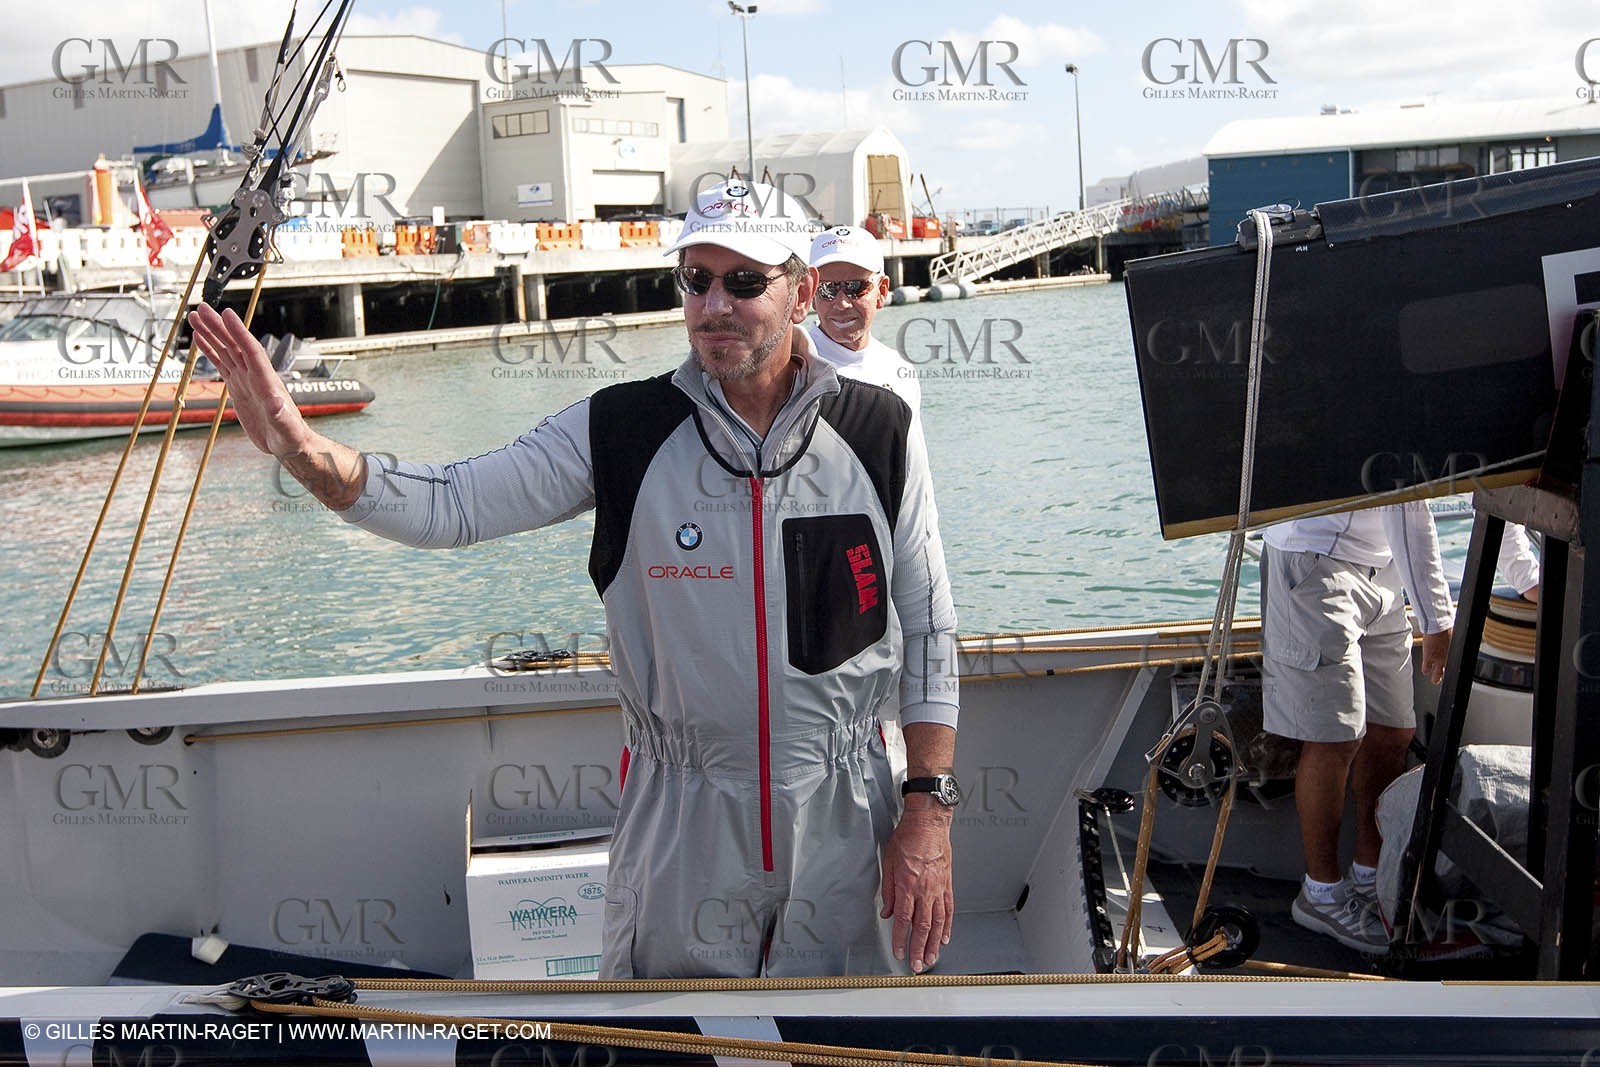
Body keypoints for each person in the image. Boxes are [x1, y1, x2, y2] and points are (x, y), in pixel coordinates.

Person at [185, 179, 960, 979]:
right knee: (676, 1042)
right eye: (696, 279)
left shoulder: (879, 431)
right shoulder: (621, 430)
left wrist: (927, 811)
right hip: (681, 820)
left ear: (799, 293)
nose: (714, 304)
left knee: (851, 1031)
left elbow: (930, 626)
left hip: (846, 807)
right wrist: (302, 451)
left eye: (744, 281)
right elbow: (452, 503)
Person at [1260, 502, 1454, 954]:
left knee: (1392, 733)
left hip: (1385, 566)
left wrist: (1524, 577)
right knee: (1336, 737)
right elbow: (1406, 502)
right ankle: (1321, 893)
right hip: (1315, 559)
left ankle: (1371, 877)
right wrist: (1437, 618)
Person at [806, 225, 919, 413]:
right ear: (811, 294)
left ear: (881, 291)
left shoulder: (899, 370)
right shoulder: (791, 369)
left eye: (855, 287)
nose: (841, 303)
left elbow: (910, 443)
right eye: (827, 289)